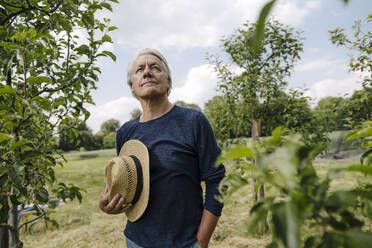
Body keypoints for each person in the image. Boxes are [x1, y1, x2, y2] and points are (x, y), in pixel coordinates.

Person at [99, 48, 225, 248]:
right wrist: (107, 204)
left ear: (168, 82)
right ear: (132, 85)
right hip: (135, 241)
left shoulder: (193, 121)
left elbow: (216, 180)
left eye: (155, 67)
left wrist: (201, 241)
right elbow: (125, 185)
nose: (147, 72)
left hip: (184, 242)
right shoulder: (125, 132)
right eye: (139, 70)